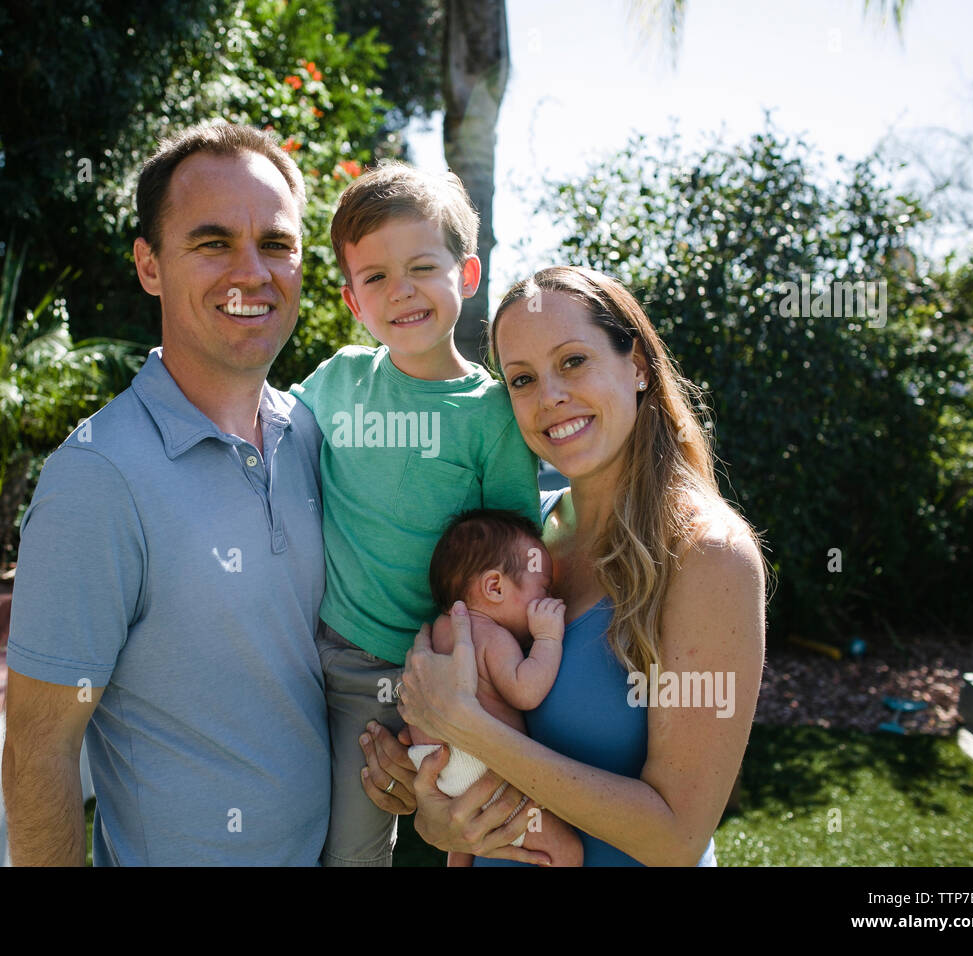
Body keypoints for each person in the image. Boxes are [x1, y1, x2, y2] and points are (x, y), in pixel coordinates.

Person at [1, 122, 332, 865]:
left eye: (276, 244)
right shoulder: (97, 476)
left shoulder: (313, 436)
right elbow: (38, 751)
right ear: (149, 266)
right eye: (213, 243)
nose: (253, 272)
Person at [360, 266, 767, 866]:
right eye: (522, 379)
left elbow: (676, 837)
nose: (549, 396)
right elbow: (454, 772)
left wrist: (473, 731)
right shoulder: (519, 535)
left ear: (637, 367)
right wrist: (438, 804)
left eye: (573, 361)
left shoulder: (706, 556)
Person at [288, 160, 541, 866]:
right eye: (375, 278)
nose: (400, 291)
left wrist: (489, 679)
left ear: (466, 275)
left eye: (422, 267)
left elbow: (515, 560)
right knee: (350, 847)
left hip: (455, 675)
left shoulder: (492, 415)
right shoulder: (336, 382)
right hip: (344, 663)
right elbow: (264, 453)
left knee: (482, 836)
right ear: (352, 301)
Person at [409, 508, 582, 867]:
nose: (549, 598)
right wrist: (549, 637)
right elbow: (526, 690)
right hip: (476, 765)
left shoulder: (441, 629)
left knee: (464, 830)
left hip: (435, 764)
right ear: (494, 587)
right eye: (544, 589)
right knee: (567, 852)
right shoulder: (491, 637)